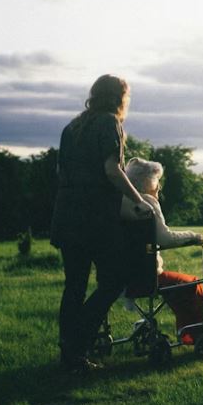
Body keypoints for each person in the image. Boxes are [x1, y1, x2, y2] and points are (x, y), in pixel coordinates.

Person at [50, 75, 154, 373]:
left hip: (66, 215)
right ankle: (77, 344)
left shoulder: (72, 127)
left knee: (75, 286)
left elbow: (62, 171)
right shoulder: (109, 123)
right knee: (113, 281)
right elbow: (112, 170)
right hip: (93, 218)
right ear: (119, 97)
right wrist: (139, 200)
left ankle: (70, 353)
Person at [121, 157, 203, 348]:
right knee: (192, 283)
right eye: (157, 182)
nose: (159, 187)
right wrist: (193, 236)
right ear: (147, 182)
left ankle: (191, 332)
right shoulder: (147, 202)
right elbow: (165, 239)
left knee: (179, 286)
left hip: (121, 275)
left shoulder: (121, 202)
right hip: (145, 276)